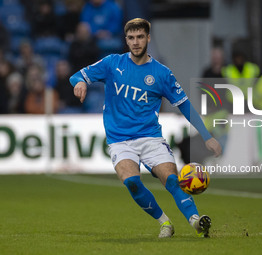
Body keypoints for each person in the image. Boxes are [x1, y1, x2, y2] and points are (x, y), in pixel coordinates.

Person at [69, 18, 222, 238]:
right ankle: (165, 223)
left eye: (140, 37)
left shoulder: (161, 73)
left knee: (171, 179)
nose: (136, 42)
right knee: (132, 182)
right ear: (126, 40)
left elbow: (185, 106)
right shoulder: (112, 63)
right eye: (131, 38)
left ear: (148, 38)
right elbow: (77, 76)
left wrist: (206, 136)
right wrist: (81, 83)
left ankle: (196, 221)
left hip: (150, 138)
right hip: (120, 140)